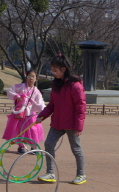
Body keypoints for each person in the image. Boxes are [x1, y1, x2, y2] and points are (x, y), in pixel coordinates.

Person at [35, 52, 87, 185]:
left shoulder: (75, 86)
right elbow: (52, 105)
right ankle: (50, 173)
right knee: (48, 144)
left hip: (72, 123)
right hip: (57, 123)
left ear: (63, 69)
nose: (53, 73)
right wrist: (41, 116)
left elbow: (81, 106)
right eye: (52, 70)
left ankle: (81, 175)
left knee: (76, 148)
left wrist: (79, 125)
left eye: (55, 70)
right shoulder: (56, 85)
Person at [2, 70, 46, 154]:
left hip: (31, 114)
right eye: (29, 76)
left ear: (36, 79)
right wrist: (16, 96)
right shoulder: (20, 86)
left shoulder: (36, 91)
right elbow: (10, 90)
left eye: (33, 77)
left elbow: (40, 104)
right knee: (21, 130)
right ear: (26, 78)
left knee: (33, 130)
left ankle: (33, 147)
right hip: (20, 113)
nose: (30, 79)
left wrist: (44, 111)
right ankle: (21, 147)